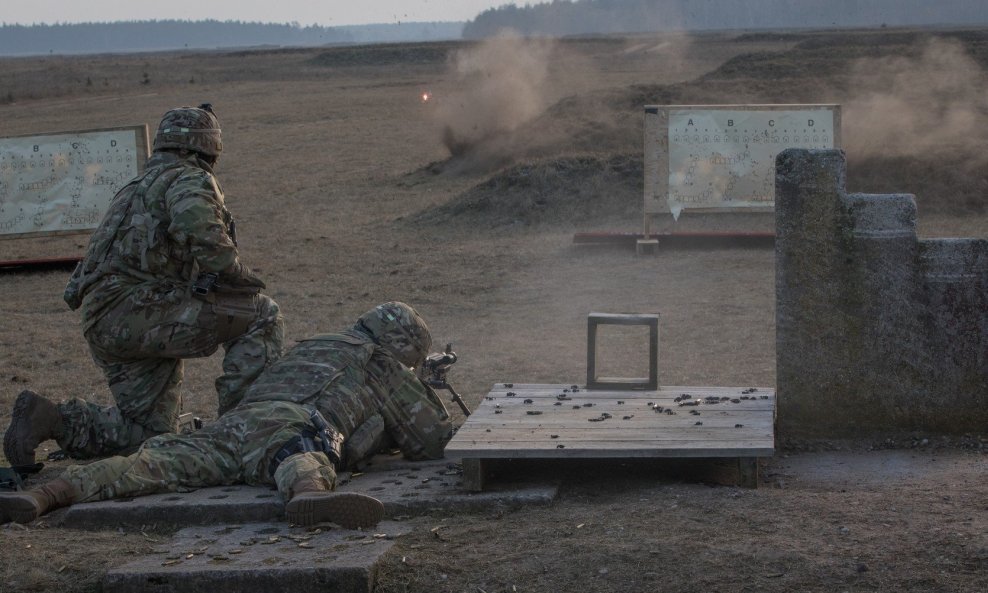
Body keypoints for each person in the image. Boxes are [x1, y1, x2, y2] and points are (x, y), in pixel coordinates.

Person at [0, 302, 454, 529]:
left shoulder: (316, 344)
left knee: (152, 461)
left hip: (234, 424)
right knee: (301, 451)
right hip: (288, 425)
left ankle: (49, 494)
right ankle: (309, 496)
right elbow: (430, 442)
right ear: (405, 348)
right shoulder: (383, 363)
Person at [3, 104, 285, 466]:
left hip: (106, 320)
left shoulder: (135, 187)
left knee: (150, 435)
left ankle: (51, 418)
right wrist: (239, 275)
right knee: (260, 314)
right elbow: (201, 232)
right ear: (208, 148)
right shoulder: (188, 177)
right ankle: (243, 434)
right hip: (137, 311)